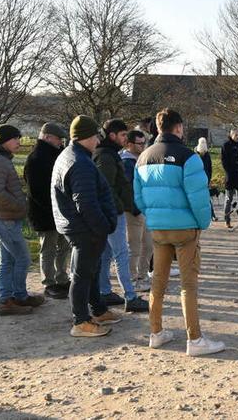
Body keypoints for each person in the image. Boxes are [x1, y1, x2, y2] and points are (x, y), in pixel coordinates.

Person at [134, 108, 224, 355]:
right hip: (185, 229)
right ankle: (194, 339)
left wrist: (153, 216)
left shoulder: (143, 157)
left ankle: (156, 332)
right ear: (178, 128)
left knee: (158, 282)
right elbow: (198, 197)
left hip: (158, 228)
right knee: (188, 285)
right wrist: (201, 223)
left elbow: (138, 198)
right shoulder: (189, 157)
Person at [52, 115, 121, 337]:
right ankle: (80, 321)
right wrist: (103, 226)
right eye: (95, 137)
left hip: (79, 226)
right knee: (82, 275)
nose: (98, 142)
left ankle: (97, 310)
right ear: (85, 137)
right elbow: (86, 203)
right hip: (84, 229)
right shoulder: (79, 162)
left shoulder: (71, 155)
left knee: (90, 271)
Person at [0, 125, 45, 316]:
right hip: (3, 219)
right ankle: (15, 298)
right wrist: (19, 205)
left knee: (8, 260)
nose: (19, 142)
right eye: (16, 138)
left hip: (3, 218)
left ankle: (12, 298)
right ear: (4, 140)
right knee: (22, 259)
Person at [93, 119, 149, 313]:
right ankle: (130, 296)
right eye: (123, 135)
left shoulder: (110, 154)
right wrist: (118, 207)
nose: (126, 138)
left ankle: (106, 291)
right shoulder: (106, 156)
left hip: (113, 210)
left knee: (107, 254)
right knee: (121, 254)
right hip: (112, 212)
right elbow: (106, 187)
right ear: (112, 135)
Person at [23, 122, 71, 299]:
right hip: (45, 213)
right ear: (47, 137)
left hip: (60, 211)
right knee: (48, 249)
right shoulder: (35, 159)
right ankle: (49, 283)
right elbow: (36, 191)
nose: (60, 142)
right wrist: (55, 208)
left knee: (63, 247)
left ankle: (62, 278)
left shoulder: (57, 155)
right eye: (58, 138)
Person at [120, 130, 152, 293]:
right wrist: (135, 209)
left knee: (148, 244)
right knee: (134, 246)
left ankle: (143, 274)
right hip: (133, 211)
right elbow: (128, 190)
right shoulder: (126, 162)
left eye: (144, 143)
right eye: (140, 143)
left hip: (145, 209)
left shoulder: (142, 160)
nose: (143, 146)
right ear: (130, 144)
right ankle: (132, 278)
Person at [221, 129, 238, 228]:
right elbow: (224, 162)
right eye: (236, 135)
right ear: (231, 135)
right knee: (229, 200)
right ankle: (227, 220)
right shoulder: (226, 145)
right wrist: (229, 173)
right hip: (231, 177)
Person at [195, 137, 216, 221]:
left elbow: (209, 168)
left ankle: (212, 214)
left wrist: (209, 179)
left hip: (203, 178)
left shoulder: (205, 154)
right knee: (204, 198)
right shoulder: (197, 153)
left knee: (205, 198)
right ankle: (211, 214)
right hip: (200, 178)